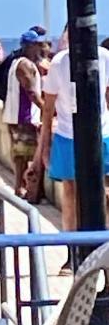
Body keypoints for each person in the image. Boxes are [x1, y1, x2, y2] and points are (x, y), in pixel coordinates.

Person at [40, 39, 109, 275]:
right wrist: (44, 147)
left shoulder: (104, 57)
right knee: (70, 193)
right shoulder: (59, 63)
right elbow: (47, 109)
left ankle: (103, 250)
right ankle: (73, 253)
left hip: (102, 133)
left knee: (104, 191)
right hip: (68, 136)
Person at [2, 31, 45, 197]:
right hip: (23, 116)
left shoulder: (18, 62)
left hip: (19, 116)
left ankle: (22, 186)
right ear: (31, 46)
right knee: (23, 153)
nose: (41, 48)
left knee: (24, 152)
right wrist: (46, 110)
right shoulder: (24, 65)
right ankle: (20, 187)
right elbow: (31, 92)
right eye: (39, 45)